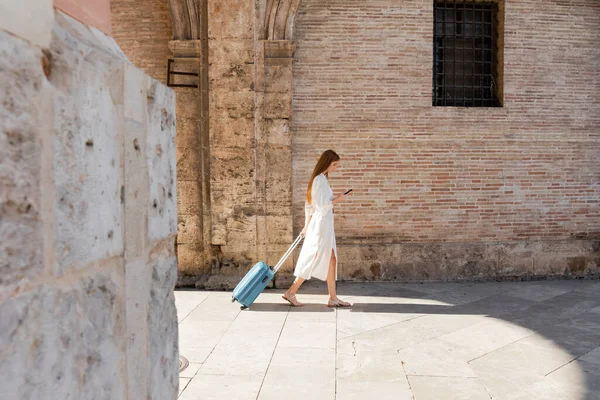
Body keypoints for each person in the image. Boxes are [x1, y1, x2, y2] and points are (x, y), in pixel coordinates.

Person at [282, 150, 352, 308]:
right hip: (321, 225)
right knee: (313, 257)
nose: (335, 168)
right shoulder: (319, 180)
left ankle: (333, 298)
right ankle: (291, 292)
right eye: (334, 164)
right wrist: (339, 200)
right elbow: (321, 206)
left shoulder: (321, 179)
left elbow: (310, 204)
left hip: (324, 224)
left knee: (331, 259)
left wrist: (306, 225)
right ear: (326, 162)